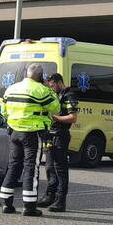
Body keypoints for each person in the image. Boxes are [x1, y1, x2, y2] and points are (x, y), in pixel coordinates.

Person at [0, 62, 61, 216]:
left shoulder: (11, 88)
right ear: (41, 77)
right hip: (33, 133)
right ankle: (29, 206)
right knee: (31, 168)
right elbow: (56, 108)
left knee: (13, 166)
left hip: (14, 132)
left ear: (26, 73)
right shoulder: (41, 90)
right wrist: (49, 89)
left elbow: (4, 110)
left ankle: (6, 203)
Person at [37, 73, 78, 212]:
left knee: (60, 169)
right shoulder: (54, 94)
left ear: (58, 82)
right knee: (49, 167)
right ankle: (50, 196)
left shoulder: (69, 95)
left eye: (53, 85)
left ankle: (61, 201)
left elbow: (73, 118)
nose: (52, 88)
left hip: (61, 135)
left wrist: (55, 118)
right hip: (50, 135)